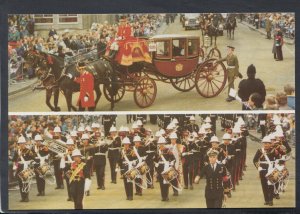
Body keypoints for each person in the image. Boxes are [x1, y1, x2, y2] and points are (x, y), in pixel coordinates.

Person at [253, 136, 276, 206]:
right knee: (264, 185)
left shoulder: (274, 150)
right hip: (262, 170)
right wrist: (258, 168)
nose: (266, 145)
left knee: (271, 185)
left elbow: (278, 160)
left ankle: (271, 200)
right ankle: (266, 200)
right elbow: (255, 160)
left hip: (271, 169)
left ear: (270, 144)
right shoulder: (260, 151)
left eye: (267, 143)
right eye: (264, 143)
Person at [13, 136, 36, 202]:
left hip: (26, 168)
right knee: (20, 183)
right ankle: (22, 197)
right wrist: (18, 157)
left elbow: (33, 159)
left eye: (22, 143)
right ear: (18, 144)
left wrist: (31, 166)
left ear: (25, 143)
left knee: (26, 183)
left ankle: (26, 197)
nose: (21, 144)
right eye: (20, 143)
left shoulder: (28, 151)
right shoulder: (17, 151)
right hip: (20, 168)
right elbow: (14, 159)